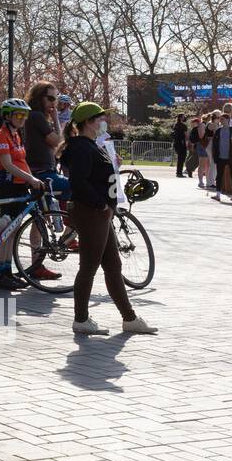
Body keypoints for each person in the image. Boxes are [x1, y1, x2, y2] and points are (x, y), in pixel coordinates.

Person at [60, 102, 157, 335]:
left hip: (101, 214)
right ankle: (81, 319)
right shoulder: (82, 147)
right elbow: (79, 183)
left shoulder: (93, 145)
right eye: (100, 118)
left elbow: (97, 175)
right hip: (93, 212)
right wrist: (100, 204)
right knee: (89, 266)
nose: (104, 122)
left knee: (113, 266)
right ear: (89, 122)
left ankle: (129, 318)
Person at [0, 98, 58, 289]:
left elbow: (22, 161)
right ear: (7, 116)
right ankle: (1, 274)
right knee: (6, 231)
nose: (22, 119)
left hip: (20, 185)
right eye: (18, 115)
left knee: (11, 232)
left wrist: (32, 179)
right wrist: (31, 179)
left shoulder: (16, 135)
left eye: (25, 115)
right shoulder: (1, 135)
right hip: (8, 186)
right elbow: (8, 165)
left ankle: (6, 272)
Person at [24, 81, 71, 201]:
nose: (53, 103)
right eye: (50, 98)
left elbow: (55, 148)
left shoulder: (34, 116)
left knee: (45, 213)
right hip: (42, 173)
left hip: (40, 170)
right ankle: (68, 219)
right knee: (74, 186)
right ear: (39, 97)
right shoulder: (37, 116)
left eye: (55, 99)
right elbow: (57, 142)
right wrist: (56, 120)